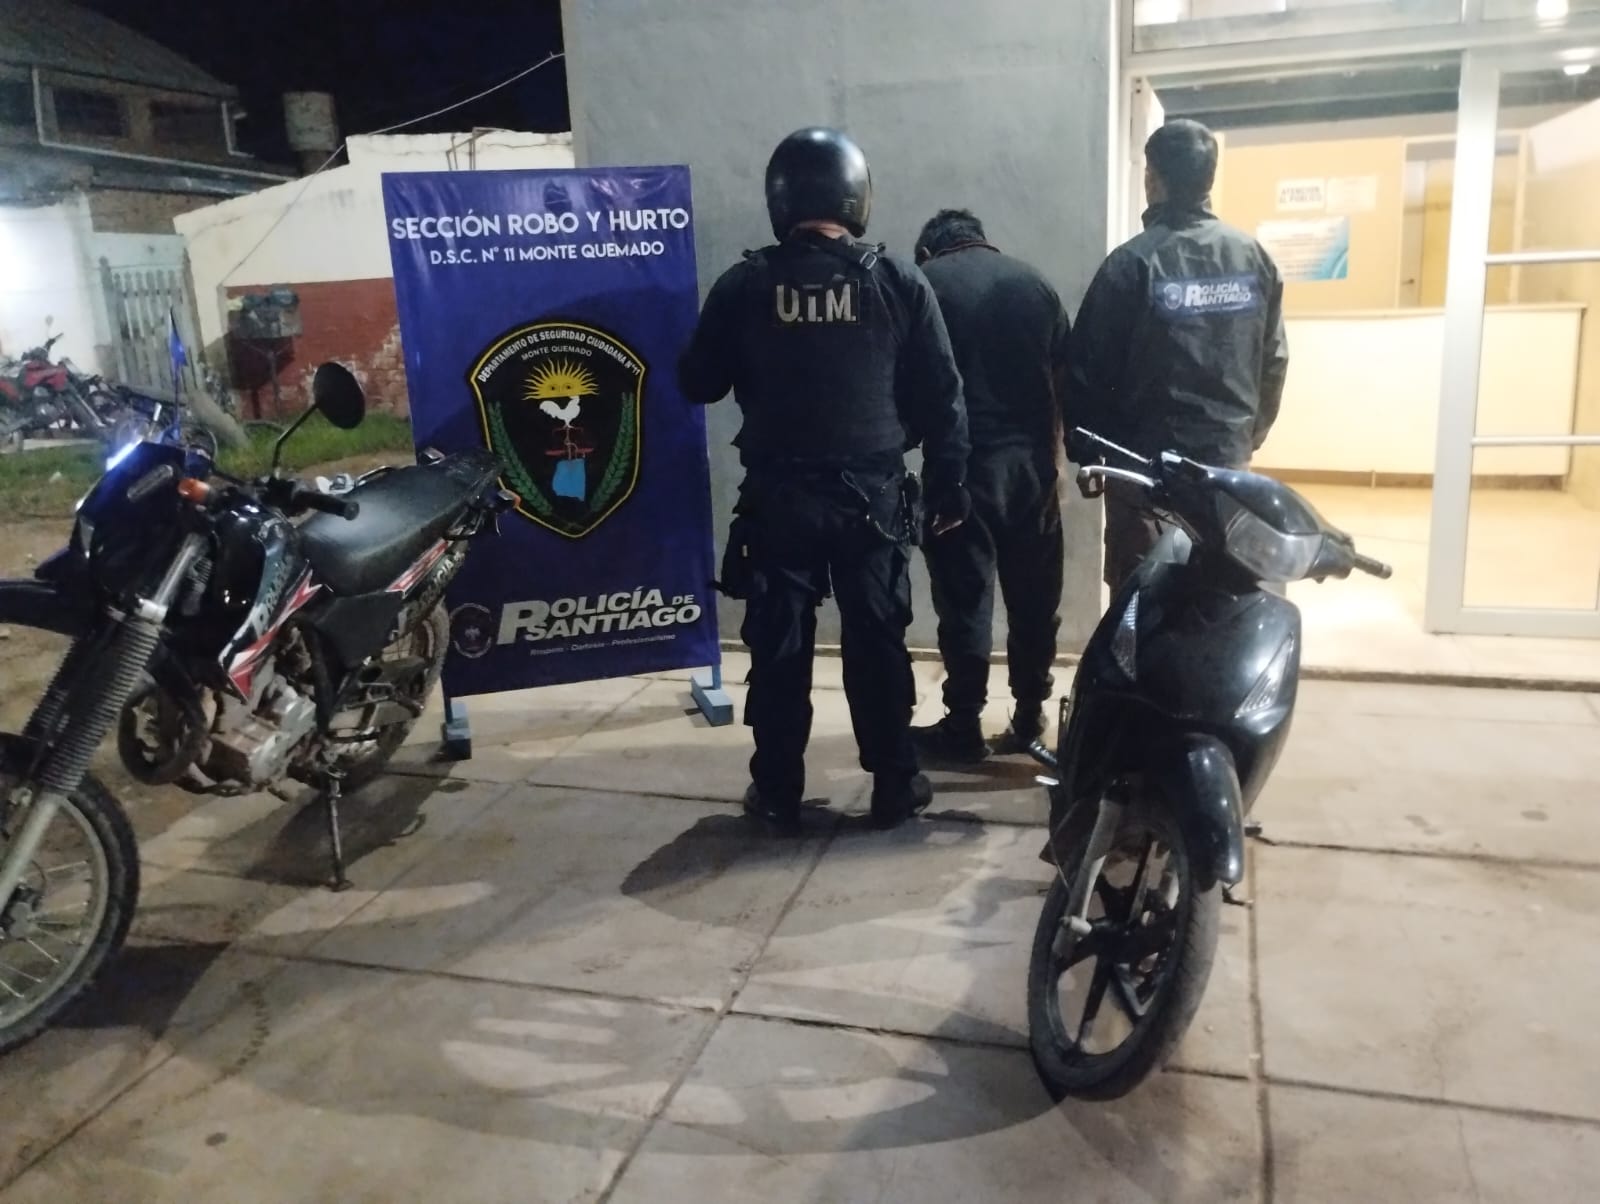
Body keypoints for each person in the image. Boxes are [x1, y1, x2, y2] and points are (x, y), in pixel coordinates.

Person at [678, 127, 971, 834]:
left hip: (779, 502)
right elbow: (943, 397)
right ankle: (894, 786)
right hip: (873, 501)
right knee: (877, 642)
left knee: (780, 649)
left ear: (781, 197)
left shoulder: (745, 284)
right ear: (855, 196)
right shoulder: (896, 279)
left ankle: (778, 791)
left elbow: (698, 383)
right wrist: (947, 487)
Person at [1069, 117, 1289, 593]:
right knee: (1222, 592)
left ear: (1153, 179)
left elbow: (1087, 372)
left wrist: (1094, 450)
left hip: (1144, 474)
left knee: (1143, 599)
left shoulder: (1132, 263)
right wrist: (1244, 439)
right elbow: (1273, 362)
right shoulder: (1254, 259)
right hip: (1227, 469)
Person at [908, 209, 1072, 763]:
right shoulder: (1035, 284)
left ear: (928, 251)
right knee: (1034, 599)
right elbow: (1063, 381)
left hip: (960, 472)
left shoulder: (924, 284)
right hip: (1031, 468)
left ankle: (963, 725)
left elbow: (906, 382)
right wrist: (1055, 464)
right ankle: (1028, 716)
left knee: (965, 603)